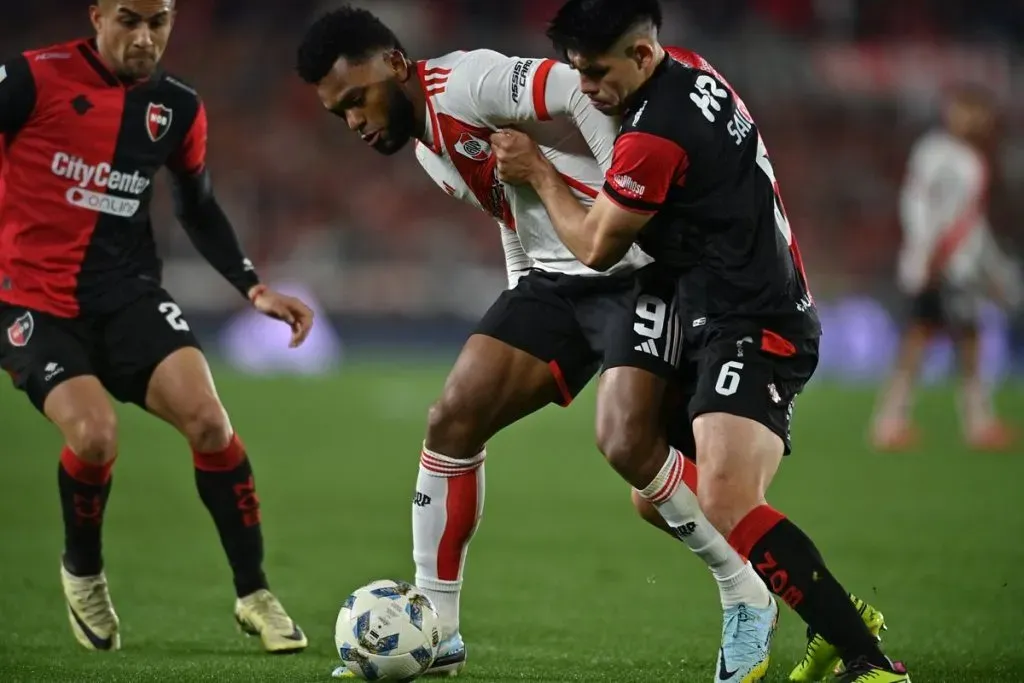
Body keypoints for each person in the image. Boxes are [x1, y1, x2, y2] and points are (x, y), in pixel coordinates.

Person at [295, 6, 780, 680]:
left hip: (635, 271)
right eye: (339, 113)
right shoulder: (428, 149)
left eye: (358, 98)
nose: (355, 121)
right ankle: (438, 632)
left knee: (630, 446)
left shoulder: (466, 83)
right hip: (554, 282)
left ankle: (745, 590)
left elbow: (565, 87)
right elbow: (511, 206)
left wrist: (618, 184)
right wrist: (522, 289)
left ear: (397, 67)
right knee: (452, 418)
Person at [490, 1, 909, 681]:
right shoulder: (691, 69)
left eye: (597, 73)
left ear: (643, 56)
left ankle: (868, 659)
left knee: (724, 495)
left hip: (756, 318)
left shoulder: (658, 130)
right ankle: (832, 613)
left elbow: (597, 246)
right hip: (704, 305)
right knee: (657, 491)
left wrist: (536, 171)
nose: (587, 89)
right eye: (578, 73)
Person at [0, 0, 313, 653]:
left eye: (159, 22)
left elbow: (198, 206)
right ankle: (83, 572)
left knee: (209, 421)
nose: (145, 37)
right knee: (93, 435)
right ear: (97, 15)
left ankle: (254, 591)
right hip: (31, 298)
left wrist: (251, 284)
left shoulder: (176, 107)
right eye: (129, 19)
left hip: (127, 296)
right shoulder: (31, 79)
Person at [872, 84, 1020, 452]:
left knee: (969, 338)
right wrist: (925, 255)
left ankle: (977, 422)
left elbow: (973, 223)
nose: (972, 119)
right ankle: (890, 421)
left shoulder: (974, 159)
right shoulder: (934, 151)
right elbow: (917, 202)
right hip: (934, 264)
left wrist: (993, 271)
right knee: (919, 338)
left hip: (961, 268)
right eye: (966, 110)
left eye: (977, 112)